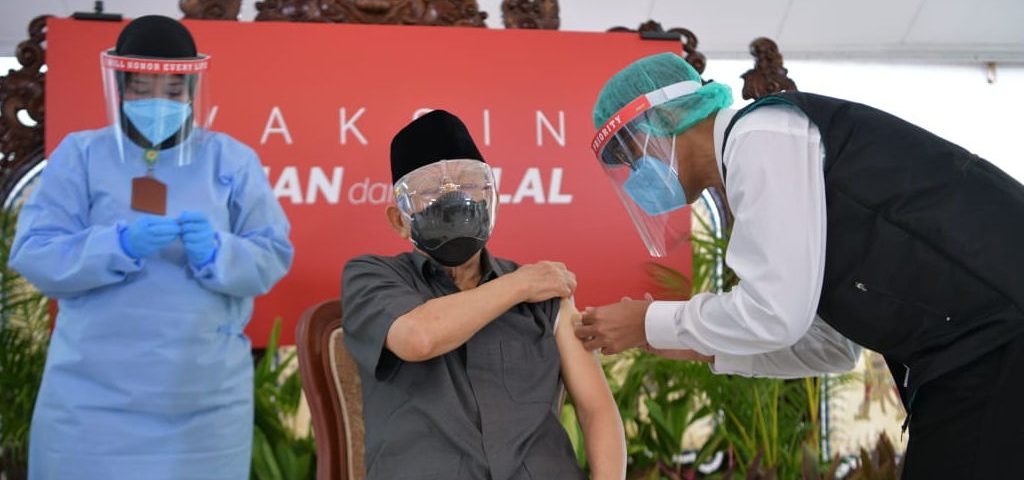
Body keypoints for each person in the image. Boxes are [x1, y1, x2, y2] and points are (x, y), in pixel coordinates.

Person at [574, 52, 1024, 479]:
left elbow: (774, 314)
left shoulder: (762, 136)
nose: (635, 175)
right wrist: (691, 346)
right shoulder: (759, 173)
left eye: (632, 153)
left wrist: (649, 321)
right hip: (971, 350)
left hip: (995, 334)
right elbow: (830, 346)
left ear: (669, 116)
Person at [10, 16, 293, 479]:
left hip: (203, 404)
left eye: (173, 91)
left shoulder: (230, 159)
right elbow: (35, 252)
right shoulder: (80, 155)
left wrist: (218, 252)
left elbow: (272, 254)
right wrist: (116, 245)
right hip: (90, 403)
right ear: (121, 88)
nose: (157, 102)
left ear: (192, 92)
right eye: (142, 89)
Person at [342, 110, 625, 480]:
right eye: (430, 191)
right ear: (399, 220)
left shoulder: (547, 296)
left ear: (493, 198)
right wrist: (519, 285)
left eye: (468, 183)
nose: (453, 198)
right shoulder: (371, 277)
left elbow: (597, 409)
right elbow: (418, 337)